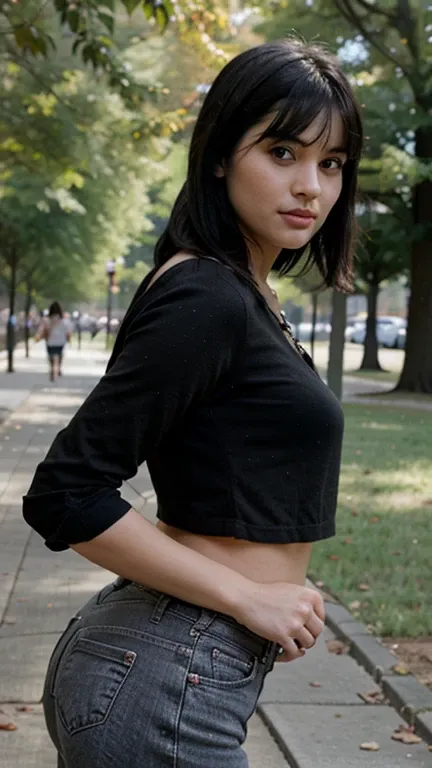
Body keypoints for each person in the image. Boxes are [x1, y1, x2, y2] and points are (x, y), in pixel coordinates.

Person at [23, 38, 363, 768]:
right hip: (165, 678)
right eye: (282, 152)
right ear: (218, 155)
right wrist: (248, 597)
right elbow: (65, 493)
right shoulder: (208, 292)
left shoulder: (241, 291)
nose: (311, 186)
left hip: (169, 664)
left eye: (331, 163)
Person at [35, 302, 71, 382]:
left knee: (51, 357)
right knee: (59, 355)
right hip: (61, 342)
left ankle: (52, 368)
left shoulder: (47, 320)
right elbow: (68, 332)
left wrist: (38, 337)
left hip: (50, 342)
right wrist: (68, 339)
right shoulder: (64, 320)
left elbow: (42, 330)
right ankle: (58, 368)